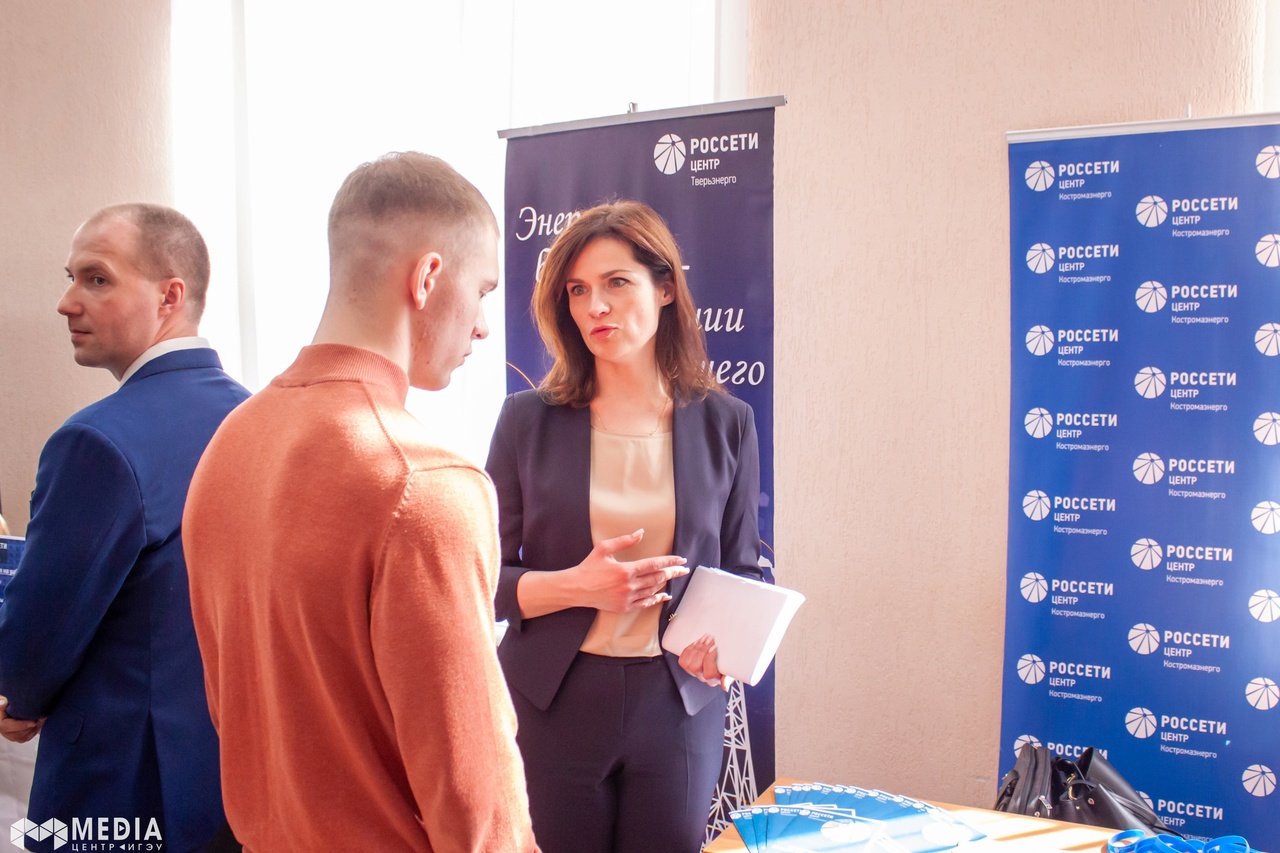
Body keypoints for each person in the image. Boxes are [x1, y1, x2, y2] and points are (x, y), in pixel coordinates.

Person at [182, 152, 537, 852]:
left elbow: (234, 711)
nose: (483, 326)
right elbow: (475, 803)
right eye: (483, 290)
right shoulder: (426, 481)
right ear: (428, 277)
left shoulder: (229, 443)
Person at [486, 200, 764, 853]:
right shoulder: (525, 421)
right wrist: (580, 587)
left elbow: (742, 570)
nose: (595, 306)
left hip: (677, 705)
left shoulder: (727, 423)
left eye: (616, 282)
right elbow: (481, 581)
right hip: (552, 699)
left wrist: (724, 648)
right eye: (578, 290)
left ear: (665, 287)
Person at [0, 203, 248, 852]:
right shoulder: (256, 420)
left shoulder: (97, 443)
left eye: (96, 279)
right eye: (71, 278)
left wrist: (17, 696)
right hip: (234, 781)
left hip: (123, 786)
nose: (66, 302)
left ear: (170, 296)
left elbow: (38, 633)